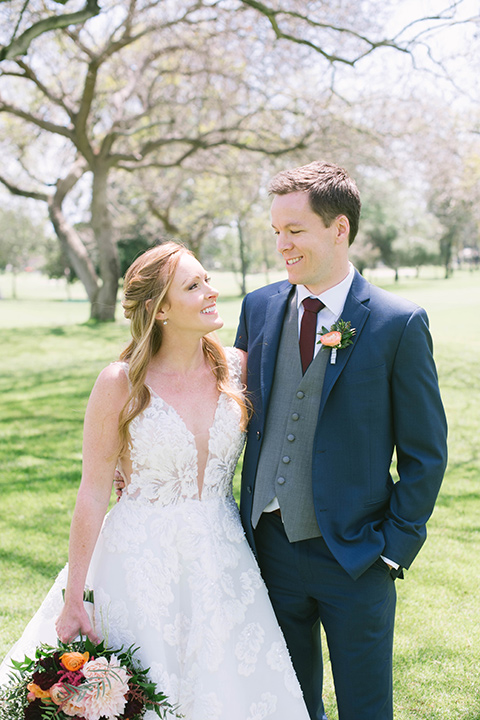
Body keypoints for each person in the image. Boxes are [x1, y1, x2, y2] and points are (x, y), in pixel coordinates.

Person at [0, 242, 311, 720]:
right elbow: (92, 490)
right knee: (146, 691)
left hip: (225, 561)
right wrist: (75, 597)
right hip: (138, 565)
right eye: (194, 285)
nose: (212, 291)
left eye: (207, 279)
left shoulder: (236, 369)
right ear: (159, 309)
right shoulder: (119, 383)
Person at [234, 160, 448, 720]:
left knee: (365, 707)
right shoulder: (257, 308)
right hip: (269, 547)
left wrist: (393, 549)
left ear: (340, 229)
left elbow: (426, 452)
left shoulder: (398, 322)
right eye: (276, 231)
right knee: (286, 703)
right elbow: (229, 409)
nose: (282, 244)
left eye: (295, 230)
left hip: (357, 554)